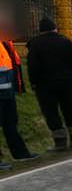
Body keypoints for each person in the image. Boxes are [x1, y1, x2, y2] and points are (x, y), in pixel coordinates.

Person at [26, 18, 72, 151]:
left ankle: (60, 141)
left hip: (45, 84)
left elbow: (32, 66)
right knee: (69, 108)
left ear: (40, 31)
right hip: (65, 82)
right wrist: (70, 76)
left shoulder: (35, 44)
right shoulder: (65, 41)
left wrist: (33, 82)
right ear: (54, 28)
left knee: (51, 111)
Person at [0, 40, 39, 170]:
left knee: (11, 123)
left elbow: (12, 66)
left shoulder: (5, 43)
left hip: (7, 92)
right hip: (3, 91)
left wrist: (17, 87)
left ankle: (21, 153)